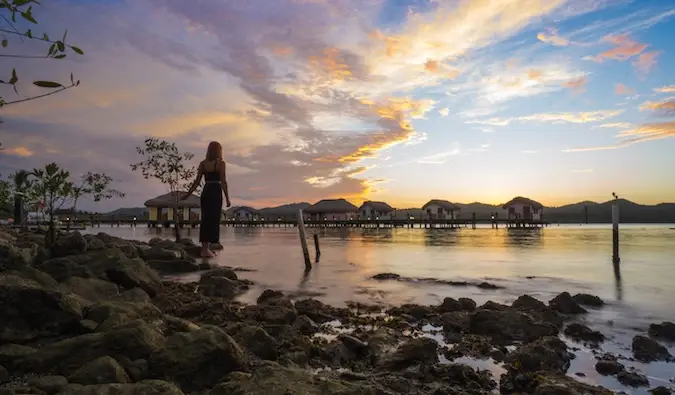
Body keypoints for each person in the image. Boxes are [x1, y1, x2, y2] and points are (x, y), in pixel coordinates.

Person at [182, 141, 231, 257]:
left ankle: (205, 249)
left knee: (205, 219)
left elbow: (197, 182)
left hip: (206, 190)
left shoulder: (203, 164)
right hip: (215, 191)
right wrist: (227, 198)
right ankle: (207, 249)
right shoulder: (221, 163)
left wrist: (187, 195)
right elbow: (223, 181)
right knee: (213, 219)